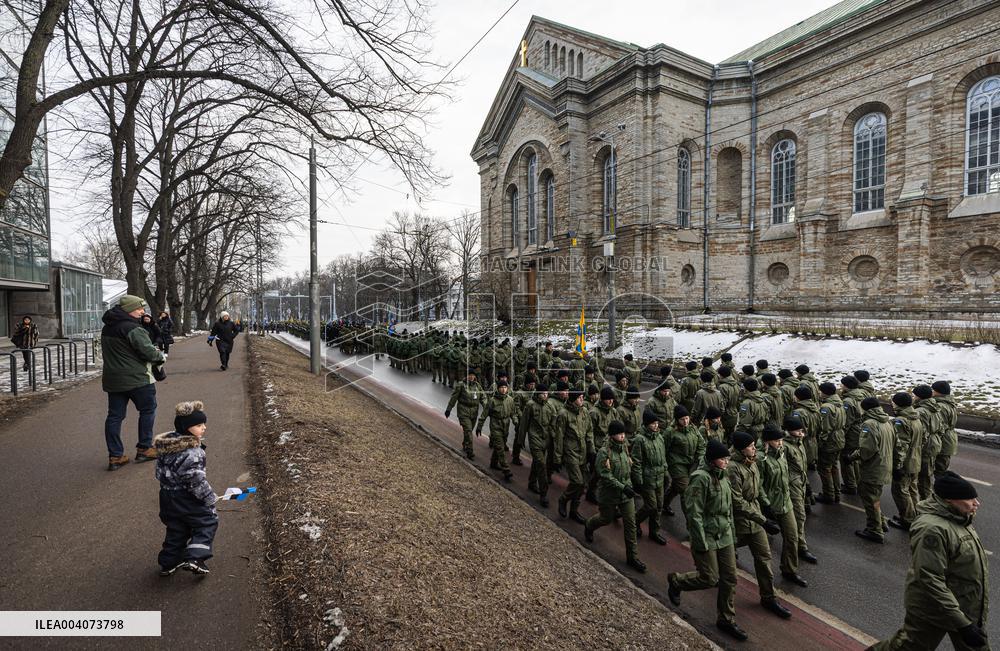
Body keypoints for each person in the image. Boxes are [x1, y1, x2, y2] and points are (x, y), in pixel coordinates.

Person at [873, 472, 989, 651]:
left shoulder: (959, 518)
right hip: (933, 610)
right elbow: (930, 578)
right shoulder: (932, 529)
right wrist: (962, 624)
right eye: (969, 499)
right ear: (950, 500)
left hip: (963, 607)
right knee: (908, 647)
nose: (976, 503)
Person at [667, 439, 747, 641]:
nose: (726, 462)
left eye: (727, 458)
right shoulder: (700, 479)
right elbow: (694, 514)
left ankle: (726, 619)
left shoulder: (724, 476)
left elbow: (728, 509)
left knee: (730, 578)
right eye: (722, 459)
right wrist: (700, 542)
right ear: (712, 460)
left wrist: (732, 534)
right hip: (707, 536)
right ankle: (677, 581)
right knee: (709, 578)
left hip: (724, 535)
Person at [728, 431, 792, 620]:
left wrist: (767, 506)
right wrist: (763, 520)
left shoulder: (752, 461)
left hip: (755, 519)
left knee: (764, 558)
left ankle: (768, 597)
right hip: (738, 522)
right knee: (723, 561)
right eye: (750, 446)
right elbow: (737, 502)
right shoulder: (732, 468)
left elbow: (758, 488)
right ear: (741, 449)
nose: (754, 448)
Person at [101, 294, 166, 471]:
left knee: (114, 417)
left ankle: (115, 456)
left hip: (113, 380)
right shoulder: (133, 328)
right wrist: (160, 356)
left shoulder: (107, 327)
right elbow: (149, 352)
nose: (142, 312)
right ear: (128, 309)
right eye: (139, 308)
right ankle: (144, 448)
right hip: (138, 379)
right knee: (148, 410)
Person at [153, 401, 218, 576]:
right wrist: (209, 497)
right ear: (185, 427)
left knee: (177, 527)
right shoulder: (192, 452)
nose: (204, 427)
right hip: (185, 496)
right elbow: (195, 480)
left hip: (166, 495)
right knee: (207, 521)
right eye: (198, 425)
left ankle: (168, 562)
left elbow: (159, 472)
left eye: (204, 423)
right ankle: (195, 557)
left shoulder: (167, 446)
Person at [584, 420, 646, 573]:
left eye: (623, 433)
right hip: (609, 494)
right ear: (612, 435)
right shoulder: (604, 452)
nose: (622, 436)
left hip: (625, 494)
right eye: (619, 434)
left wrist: (632, 484)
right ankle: (589, 525)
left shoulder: (624, 447)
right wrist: (623, 487)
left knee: (630, 524)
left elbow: (629, 467)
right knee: (606, 518)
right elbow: (605, 475)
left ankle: (632, 557)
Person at [759, 423, 808, 587]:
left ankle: (789, 570)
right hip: (768, 506)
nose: (780, 443)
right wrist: (766, 505)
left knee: (792, 537)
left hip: (785, 502)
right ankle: (727, 550)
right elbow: (758, 485)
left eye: (781, 440)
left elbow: (786, 477)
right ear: (767, 441)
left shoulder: (781, 454)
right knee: (752, 540)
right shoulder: (761, 459)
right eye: (776, 440)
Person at [852, 397, 895, 544]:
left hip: (873, 468)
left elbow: (867, 450)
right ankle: (881, 522)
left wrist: (853, 456)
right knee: (874, 497)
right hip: (885, 465)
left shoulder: (869, 424)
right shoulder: (887, 421)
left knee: (870, 499)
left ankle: (874, 530)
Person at [553, 390, 595, 524]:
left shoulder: (584, 412)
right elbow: (559, 437)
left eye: (583, 397)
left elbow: (589, 432)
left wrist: (592, 451)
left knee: (583, 484)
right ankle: (563, 499)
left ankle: (574, 511)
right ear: (572, 399)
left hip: (582, 451)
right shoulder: (563, 414)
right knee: (577, 481)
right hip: (570, 451)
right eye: (579, 397)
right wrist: (557, 458)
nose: (582, 399)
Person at [888, 392, 925, 531]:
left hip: (905, 463)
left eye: (893, 401)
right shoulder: (916, 417)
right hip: (915, 460)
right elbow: (924, 438)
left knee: (900, 491)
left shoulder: (901, 421)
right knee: (912, 489)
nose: (892, 404)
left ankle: (907, 520)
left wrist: (897, 466)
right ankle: (915, 516)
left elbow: (901, 446)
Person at [631, 411, 668, 545]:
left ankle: (654, 532)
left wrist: (665, 472)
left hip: (659, 477)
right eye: (653, 423)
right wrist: (638, 480)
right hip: (647, 478)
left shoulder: (659, 437)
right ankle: (635, 522)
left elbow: (663, 457)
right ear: (647, 424)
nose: (656, 425)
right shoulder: (640, 439)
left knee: (659, 506)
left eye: (657, 423)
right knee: (651, 505)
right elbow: (636, 461)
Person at [663, 405, 705, 517]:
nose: (685, 421)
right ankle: (690, 521)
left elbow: (701, 445)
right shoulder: (670, 432)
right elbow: (663, 449)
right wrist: (665, 466)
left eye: (687, 418)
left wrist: (700, 458)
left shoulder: (693, 429)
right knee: (686, 491)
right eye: (682, 419)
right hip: (676, 464)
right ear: (677, 420)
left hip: (690, 464)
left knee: (676, 487)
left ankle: (663, 504)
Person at [476, 379, 516, 482]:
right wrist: (479, 426)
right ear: (498, 389)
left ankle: (493, 463)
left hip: (505, 426)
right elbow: (484, 414)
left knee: (499, 446)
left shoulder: (510, 400)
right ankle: (506, 470)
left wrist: (516, 422)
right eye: (501, 387)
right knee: (500, 448)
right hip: (495, 425)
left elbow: (513, 413)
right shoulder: (492, 401)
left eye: (505, 387)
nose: (503, 389)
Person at [445, 368, 485, 460]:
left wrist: (487, 406)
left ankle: (465, 443)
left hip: (474, 412)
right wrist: (448, 409)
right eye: (469, 375)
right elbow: (454, 398)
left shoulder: (477, 386)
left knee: (469, 431)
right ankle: (470, 451)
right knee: (468, 431)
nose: (471, 377)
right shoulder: (461, 385)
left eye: (473, 375)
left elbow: (483, 397)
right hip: (463, 411)